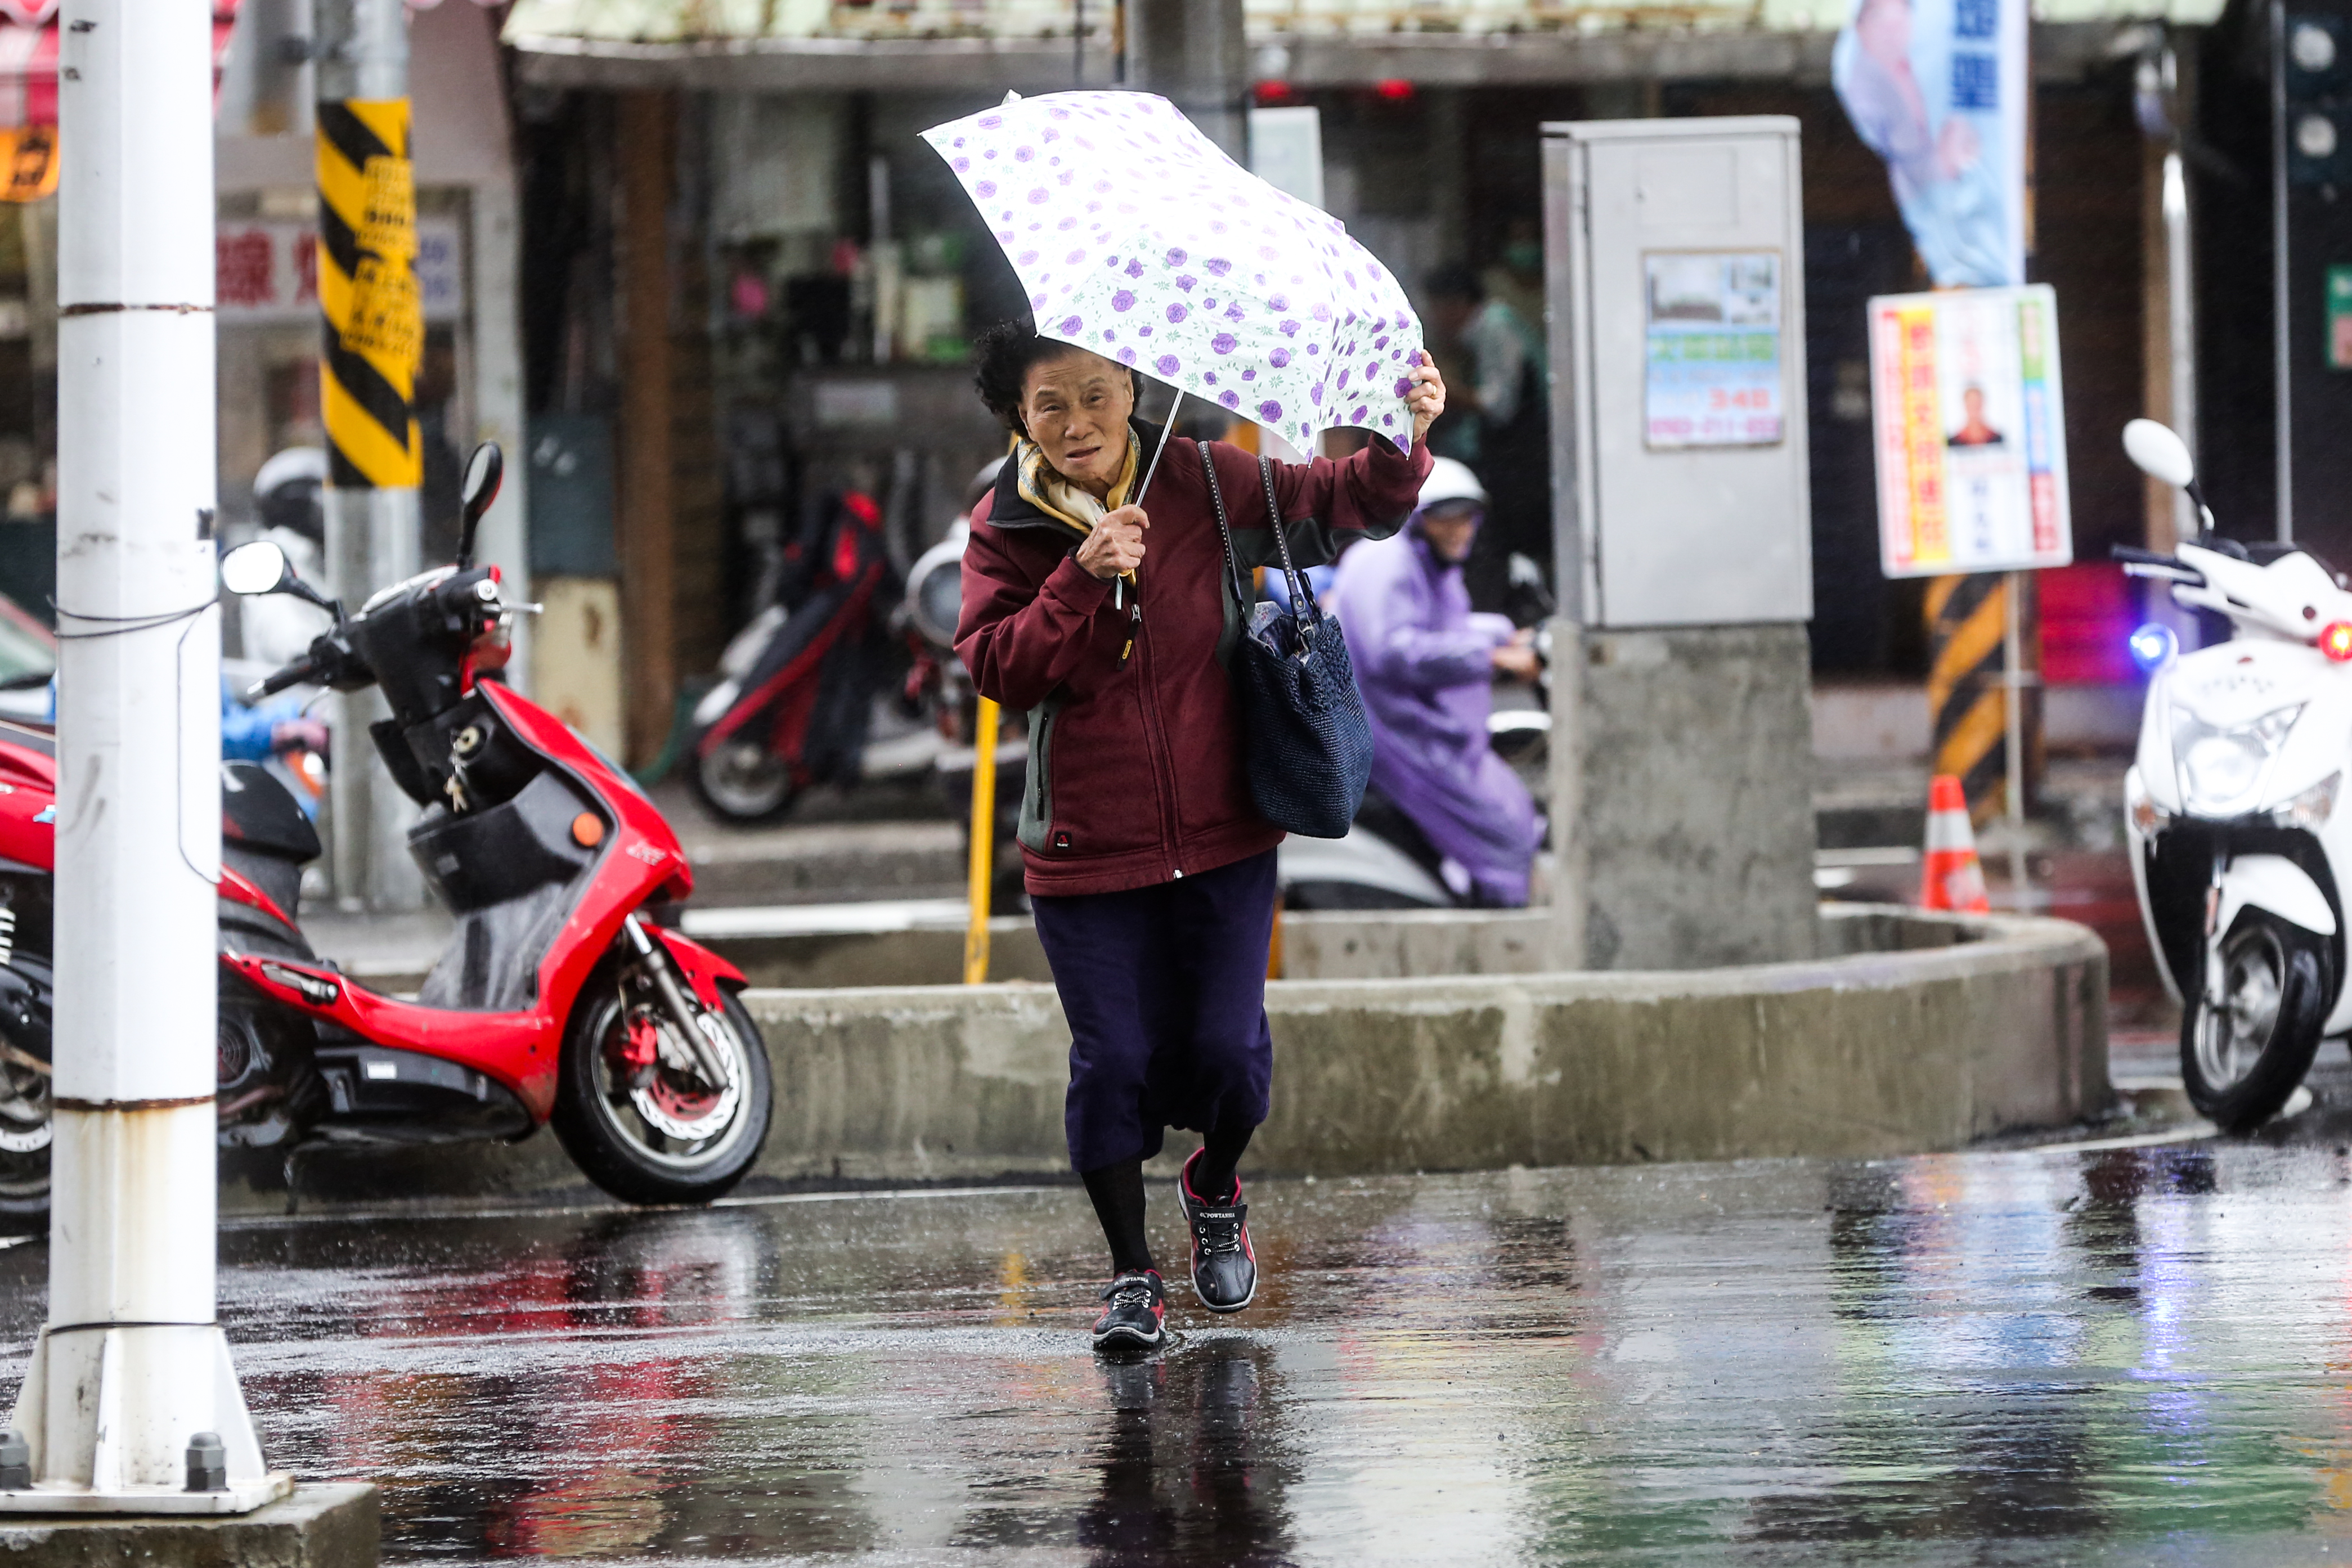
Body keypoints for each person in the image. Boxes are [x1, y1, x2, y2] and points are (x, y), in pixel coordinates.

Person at [956, 319, 1445, 1354]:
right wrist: (1082, 575)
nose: (1079, 422)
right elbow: (999, 667)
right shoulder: (1004, 523)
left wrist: (1405, 443)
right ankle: (1132, 1275)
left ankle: (1214, 1184)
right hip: (1086, 849)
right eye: (1051, 404)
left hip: (1226, 833)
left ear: (1132, 386)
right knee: (1114, 1060)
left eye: (1096, 394)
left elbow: (1332, 505)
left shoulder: (1201, 477)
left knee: (1228, 1054)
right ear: (1019, 419)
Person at [1328, 457, 1542, 908]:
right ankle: (1504, 924)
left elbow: (1445, 624)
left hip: (1435, 726)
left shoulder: (1430, 565)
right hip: (1399, 730)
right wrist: (1489, 656)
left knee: (1520, 814)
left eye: (1467, 516)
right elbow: (1393, 649)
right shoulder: (1388, 560)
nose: (1459, 528)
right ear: (1418, 517)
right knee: (1503, 829)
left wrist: (1504, 632)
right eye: (1446, 516)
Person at [1424, 264, 1550, 614]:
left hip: (1524, 457)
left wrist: (1445, 393)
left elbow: (1500, 406)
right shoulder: (1480, 335)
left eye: (1436, 307)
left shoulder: (1496, 325)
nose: (1434, 318)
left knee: (1510, 544)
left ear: (1457, 302)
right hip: (1510, 455)